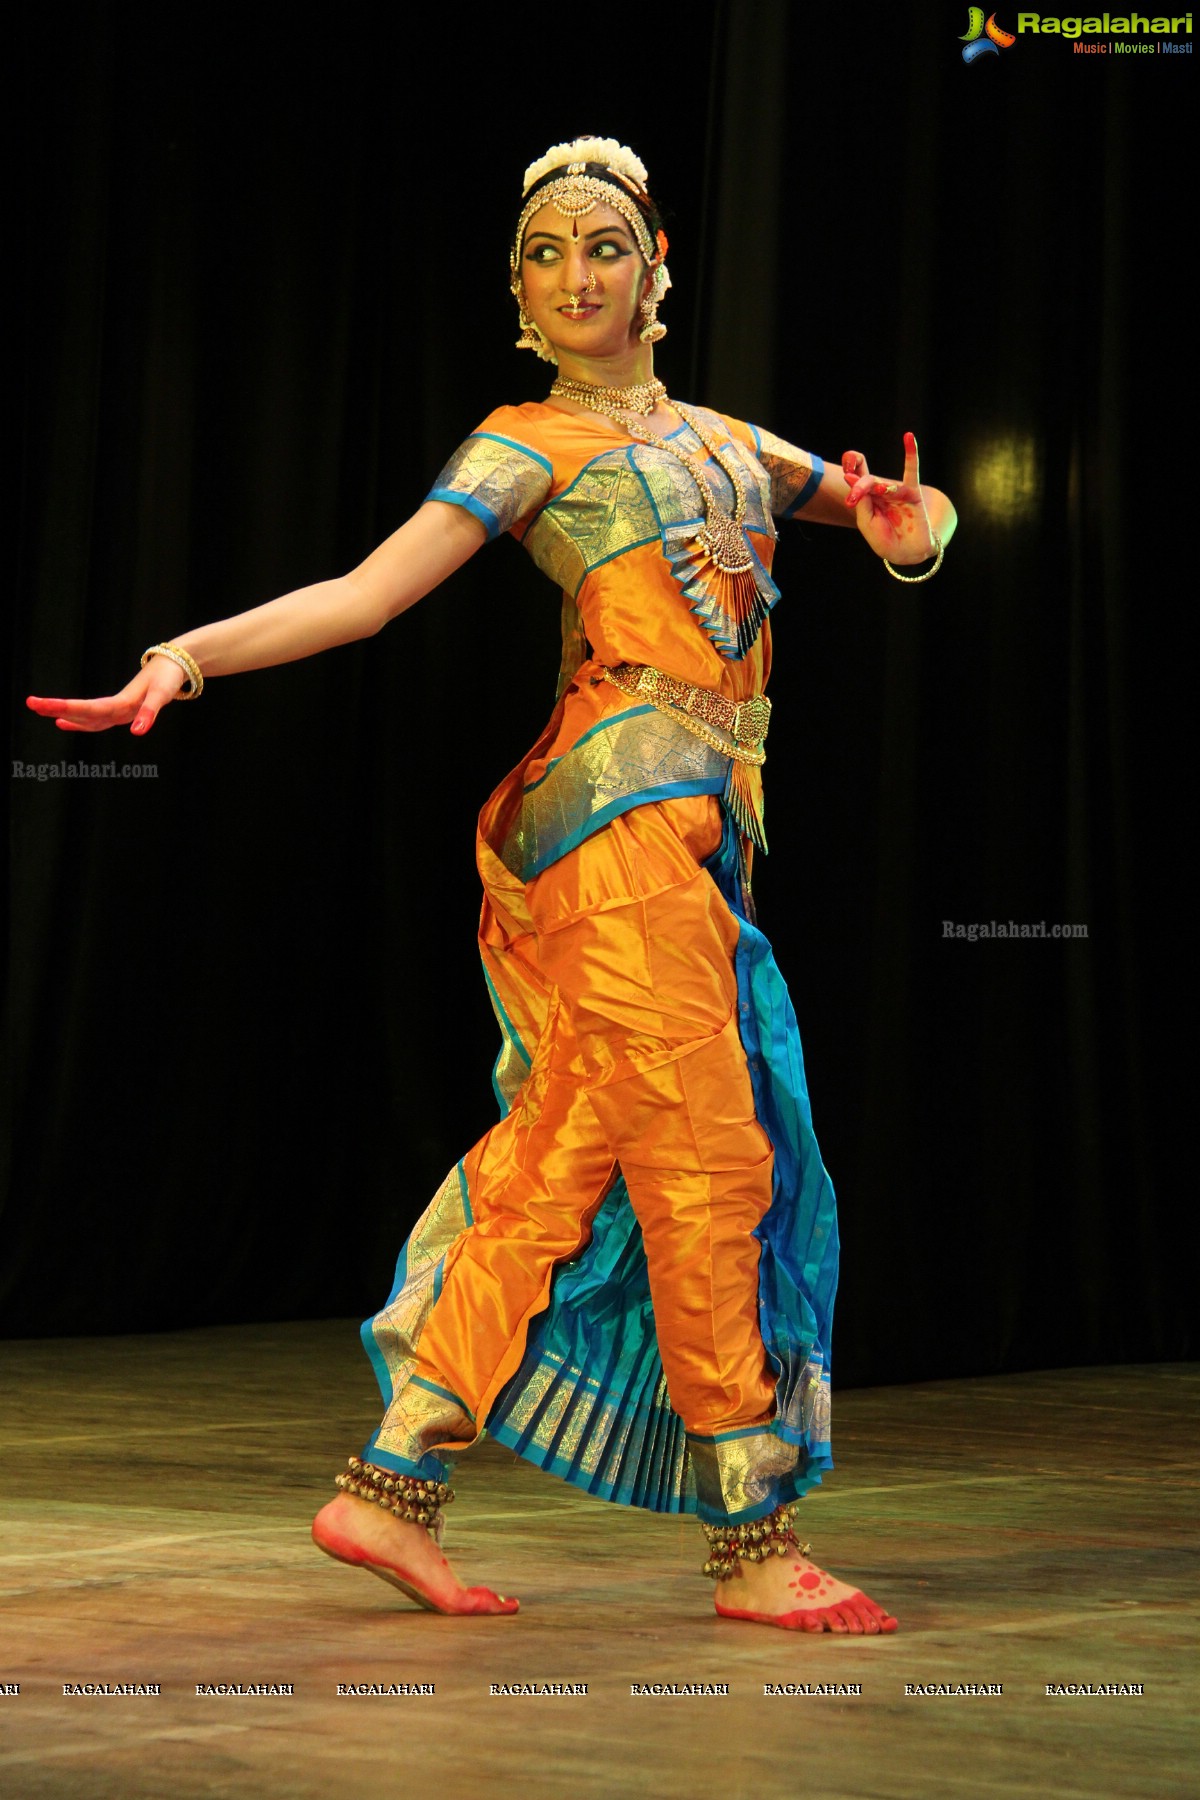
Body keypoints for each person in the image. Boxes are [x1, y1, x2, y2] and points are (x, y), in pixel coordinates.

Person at [28, 135, 956, 1635]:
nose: (576, 274)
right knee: (712, 1152)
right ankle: (753, 1537)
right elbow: (365, 594)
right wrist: (188, 658)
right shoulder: (528, 443)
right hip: (609, 827)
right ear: (520, 297)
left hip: (690, 834)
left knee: (573, 1147)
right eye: (544, 253)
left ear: (659, 268)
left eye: (602, 246)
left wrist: (916, 535)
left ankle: (392, 1483)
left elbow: (874, 514)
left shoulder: (729, 441)